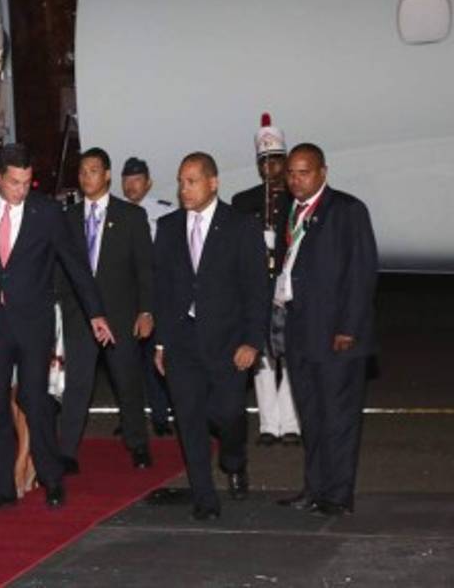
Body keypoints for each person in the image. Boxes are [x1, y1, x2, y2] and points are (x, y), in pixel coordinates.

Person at [0, 144, 112, 510]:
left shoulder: (46, 212)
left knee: (34, 399)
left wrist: (96, 313)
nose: (22, 190)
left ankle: (51, 478)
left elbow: (76, 264)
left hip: (34, 324)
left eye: (28, 182)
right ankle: (1, 490)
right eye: (14, 182)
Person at [153, 153, 268, 520]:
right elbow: (163, 289)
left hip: (229, 343)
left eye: (192, 181)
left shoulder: (240, 226)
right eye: (181, 182)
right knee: (188, 418)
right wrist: (160, 342)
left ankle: (234, 460)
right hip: (183, 341)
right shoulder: (169, 227)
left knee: (228, 414)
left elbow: (256, 289)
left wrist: (253, 340)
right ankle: (204, 497)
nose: (184, 189)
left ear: (213, 182)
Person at [274, 144, 378, 517]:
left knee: (339, 417)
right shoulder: (294, 211)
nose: (295, 179)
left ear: (322, 173)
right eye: (290, 173)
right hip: (301, 330)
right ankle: (315, 488)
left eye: (303, 172)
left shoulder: (347, 211)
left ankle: (338, 494)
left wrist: (348, 328)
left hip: (337, 336)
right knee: (312, 416)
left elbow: (362, 272)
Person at [59, 148, 155, 471]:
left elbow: (145, 269)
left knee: (127, 382)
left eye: (94, 171)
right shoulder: (67, 218)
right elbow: (60, 270)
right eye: (83, 171)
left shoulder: (131, 217)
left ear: (108, 175)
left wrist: (146, 310)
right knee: (77, 384)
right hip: (79, 317)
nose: (87, 177)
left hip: (120, 316)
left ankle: (138, 443)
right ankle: (67, 451)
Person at [231, 114, 301, 447]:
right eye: (265, 162)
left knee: (289, 352)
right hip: (256, 284)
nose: (270, 168)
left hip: (290, 284)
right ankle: (267, 424)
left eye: (276, 161)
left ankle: (290, 422)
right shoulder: (244, 202)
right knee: (260, 354)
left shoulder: (296, 200)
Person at [121, 156, 175, 436]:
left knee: (156, 357)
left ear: (148, 182)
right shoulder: (114, 214)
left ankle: (160, 416)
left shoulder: (164, 212)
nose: (131, 186)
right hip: (124, 299)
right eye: (127, 181)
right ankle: (129, 418)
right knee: (125, 362)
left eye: (137, 180)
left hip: (154, 296)